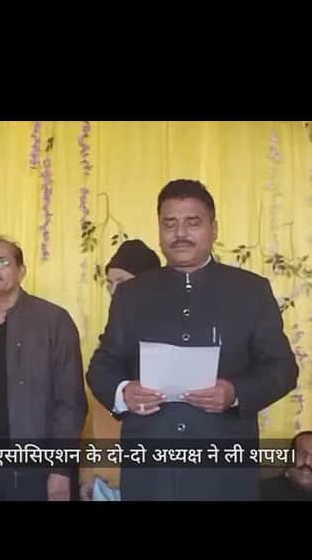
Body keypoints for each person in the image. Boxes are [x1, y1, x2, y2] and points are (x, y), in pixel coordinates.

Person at [86, 179, 299, 502]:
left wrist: (235, 393)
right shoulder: (132, 294)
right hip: (151, 468)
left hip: (223, 468)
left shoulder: (250, 291)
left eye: (193, 222)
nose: (180, 233)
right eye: (169, 223)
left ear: (214, 229)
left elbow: (282, 369)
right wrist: (124, 392)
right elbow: (103, 365)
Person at [0, 235, 87, 502]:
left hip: (34, 469)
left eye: (2, 262)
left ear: (21, 271)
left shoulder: (53, 321)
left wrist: (60, 469)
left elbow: (71, 402)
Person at [80, 240, 161, 500]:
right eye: (110, 283)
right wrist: (87, 472)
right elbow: (95, 415)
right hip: (105, 482)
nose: (115, 291)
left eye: (122, 282)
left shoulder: (168, 339)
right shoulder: (110, 343)